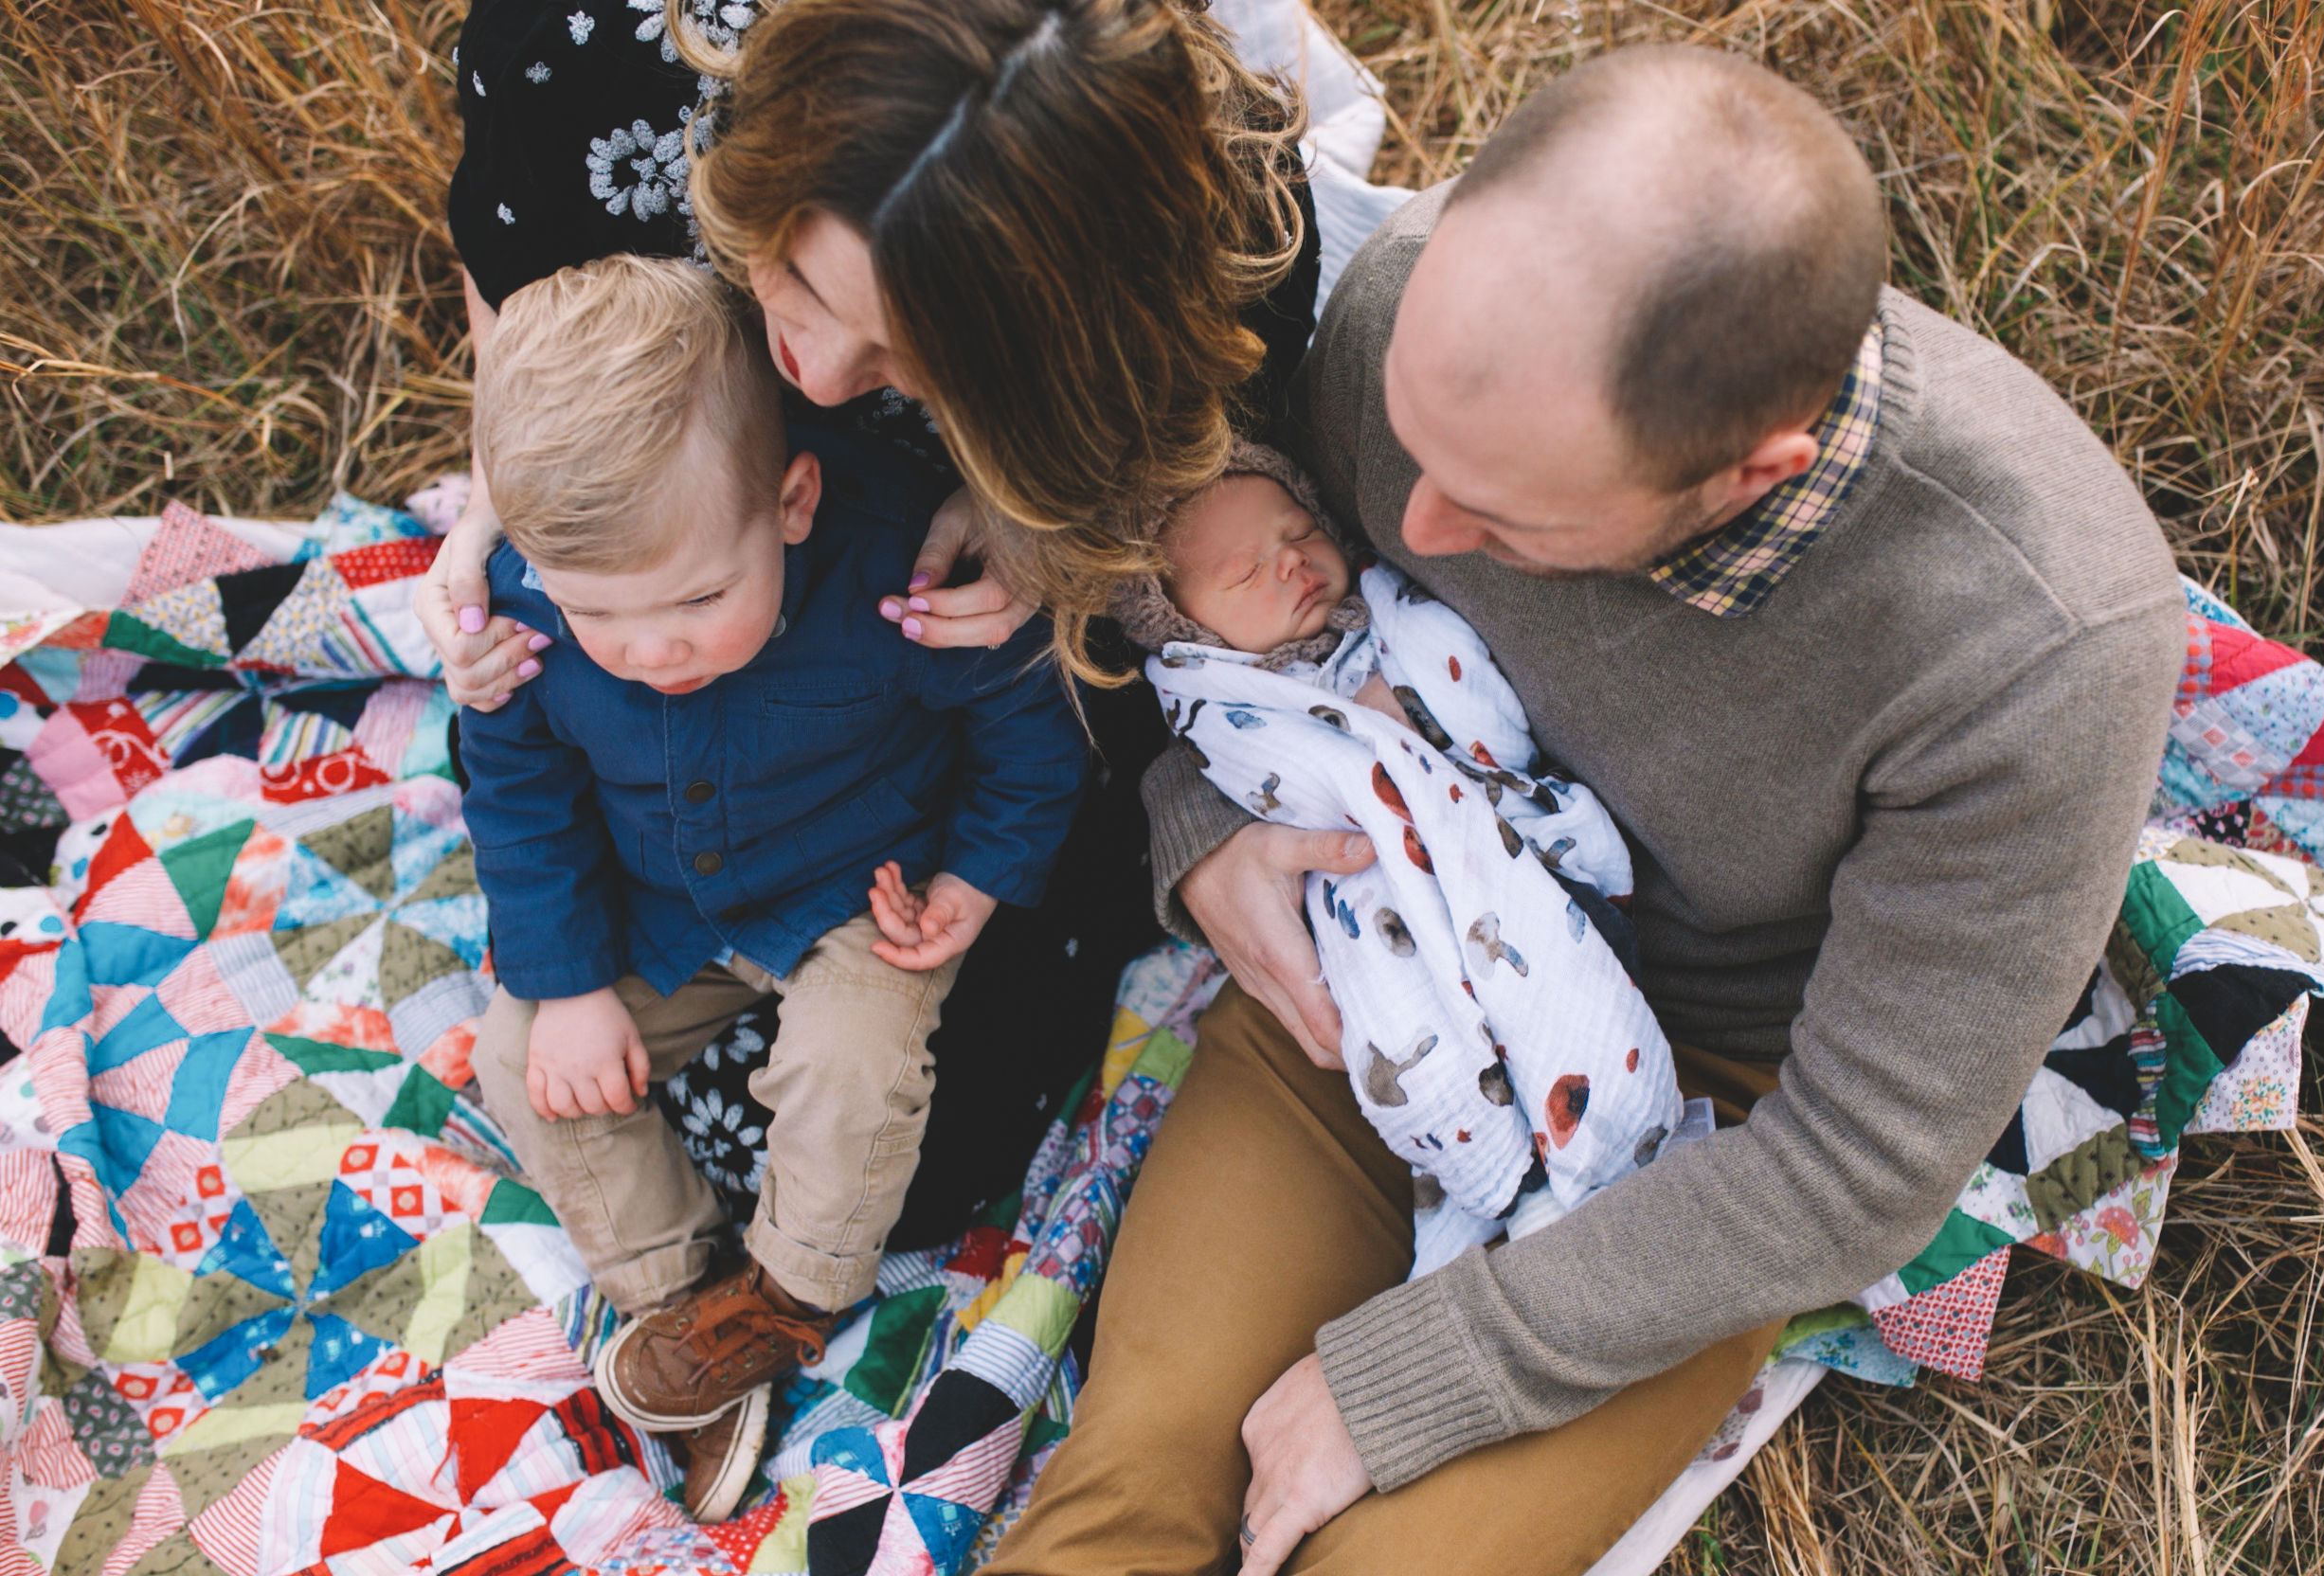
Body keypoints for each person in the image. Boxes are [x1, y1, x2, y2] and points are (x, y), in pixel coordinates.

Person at [982, 45, 2188, 1576]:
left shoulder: (2035, 654)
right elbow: (1239, 633)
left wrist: (1427, 1366)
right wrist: (1201, 824)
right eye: (1414, 458)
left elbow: (1858, 1164)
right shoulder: (1411, 314)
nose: (1411, 535)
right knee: (1133, 1475)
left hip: (1697, 1124)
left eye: (1499, 518)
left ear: (1749, 476)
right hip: (1394, 967)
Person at [428, 0, 1342, 1246]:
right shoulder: (568, 51)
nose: (815, 377)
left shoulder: (1204, 192)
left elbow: (1209, 466)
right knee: (575, 1016)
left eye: (918, 357)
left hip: (939, 707)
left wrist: (1044, 510)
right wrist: (510, 508)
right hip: (684, 572)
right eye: (797, 279)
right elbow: (515, 294)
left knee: (911, 1174)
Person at [457, 256, 1088, 1521]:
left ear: (792, 503)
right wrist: (568, 982)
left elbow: (1030, 717)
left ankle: (791, 1293)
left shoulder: (888, 565)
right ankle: (683, 1296)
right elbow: (519, 804)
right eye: (601, 616)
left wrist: (977, 875)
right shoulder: (529, 618)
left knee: (850, 1074)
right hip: (662, 910)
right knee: (523, 1055)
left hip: (861, 890)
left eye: (696, 599)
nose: (651, 650)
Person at [1112, 444, 1688, 1277]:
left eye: (1301, 530)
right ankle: (1517, 1187)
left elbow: (1486, 707)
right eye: (1245, 575)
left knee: (1562, 987)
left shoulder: (1388, 615)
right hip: (1376, 911)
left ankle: (1602, 1172)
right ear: (1191, 633)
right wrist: (1363, 751)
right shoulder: (1225, 701)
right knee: (1420, 1042)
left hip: (1507, 865)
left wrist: (1414, 709)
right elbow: (1279, 780)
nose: (1293, 566)